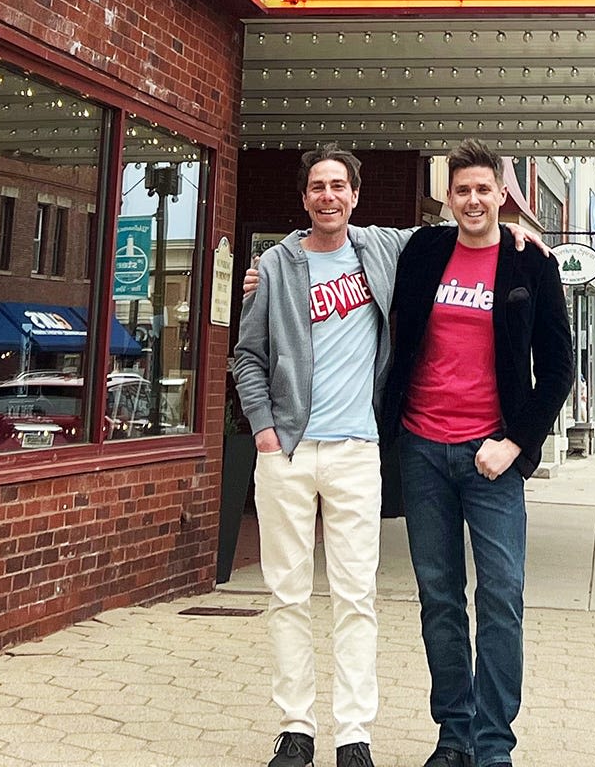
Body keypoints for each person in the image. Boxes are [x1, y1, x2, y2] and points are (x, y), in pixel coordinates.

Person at [233, 148, 543, 767]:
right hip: (288, 452)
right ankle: (296, 728)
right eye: (317, 186)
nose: (328, 196)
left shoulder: (383, 249)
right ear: (305, 198)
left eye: (339, 186)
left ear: (355, 196)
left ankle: (354, 735)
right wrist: (265, 430)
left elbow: (460, 224)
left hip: (357, 449)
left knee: (356, 597)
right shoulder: (276, 265)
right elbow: (247, 355)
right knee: (287, 594)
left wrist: (511, 230)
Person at [381, 141, 574, 767]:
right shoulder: (423, 250)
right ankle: (453, 734)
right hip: (422, 449)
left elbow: (560, 368)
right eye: (461, 190)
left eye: (483, 190)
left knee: (501, 597)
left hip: (492, 457)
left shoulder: (529, 265)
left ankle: (493, 745)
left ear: (501, 197)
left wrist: (517, 441)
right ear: (448, 197)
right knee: (438, 595)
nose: (472, 200)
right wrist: (271, 264)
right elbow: (341, 233)